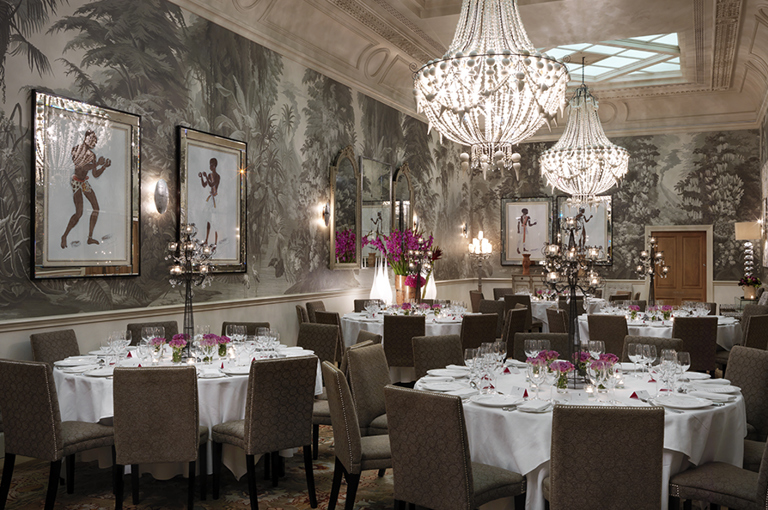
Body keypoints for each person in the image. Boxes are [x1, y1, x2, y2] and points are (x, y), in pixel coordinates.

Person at [60, 129, 111, 249]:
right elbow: (80, 166)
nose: (94, 141)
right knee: (79, 213)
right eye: (92, 138)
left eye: (95, 140)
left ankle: (90, 238)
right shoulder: (76, 149)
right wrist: (96, 164)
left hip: (84, 182)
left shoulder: (92, 156)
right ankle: (64, 236)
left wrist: (103, 167)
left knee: (96, 208)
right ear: (86, 137)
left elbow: (95, 174)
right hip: (76, 182)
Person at [198, 157, 221, 246]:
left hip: (216, 200)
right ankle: (206, 240)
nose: (210, 167)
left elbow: (212, 184)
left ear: (215, 166)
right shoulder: (209, 175)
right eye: (210, 165)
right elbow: (204, 185)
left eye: (211, 165)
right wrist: (201, 178)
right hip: (211, 200)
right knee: (208, 220)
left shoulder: (217, 176)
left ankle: (215, 243)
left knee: (215, 222)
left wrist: (206, 177)